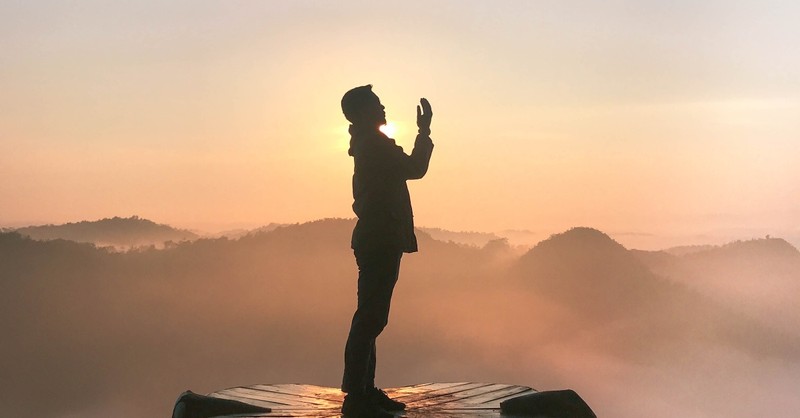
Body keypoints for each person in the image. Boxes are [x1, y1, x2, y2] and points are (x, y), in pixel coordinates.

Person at [340, 85, 434, 418]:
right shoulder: (375, 146)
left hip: (376, 238)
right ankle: (357, 393)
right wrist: (424, 132)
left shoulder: (367, 144)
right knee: (370, 317)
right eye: (378, 105)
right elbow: (415, 169)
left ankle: (364, 389)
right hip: (380, 239)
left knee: (372, 315)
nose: (383, 109)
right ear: (365, 112)